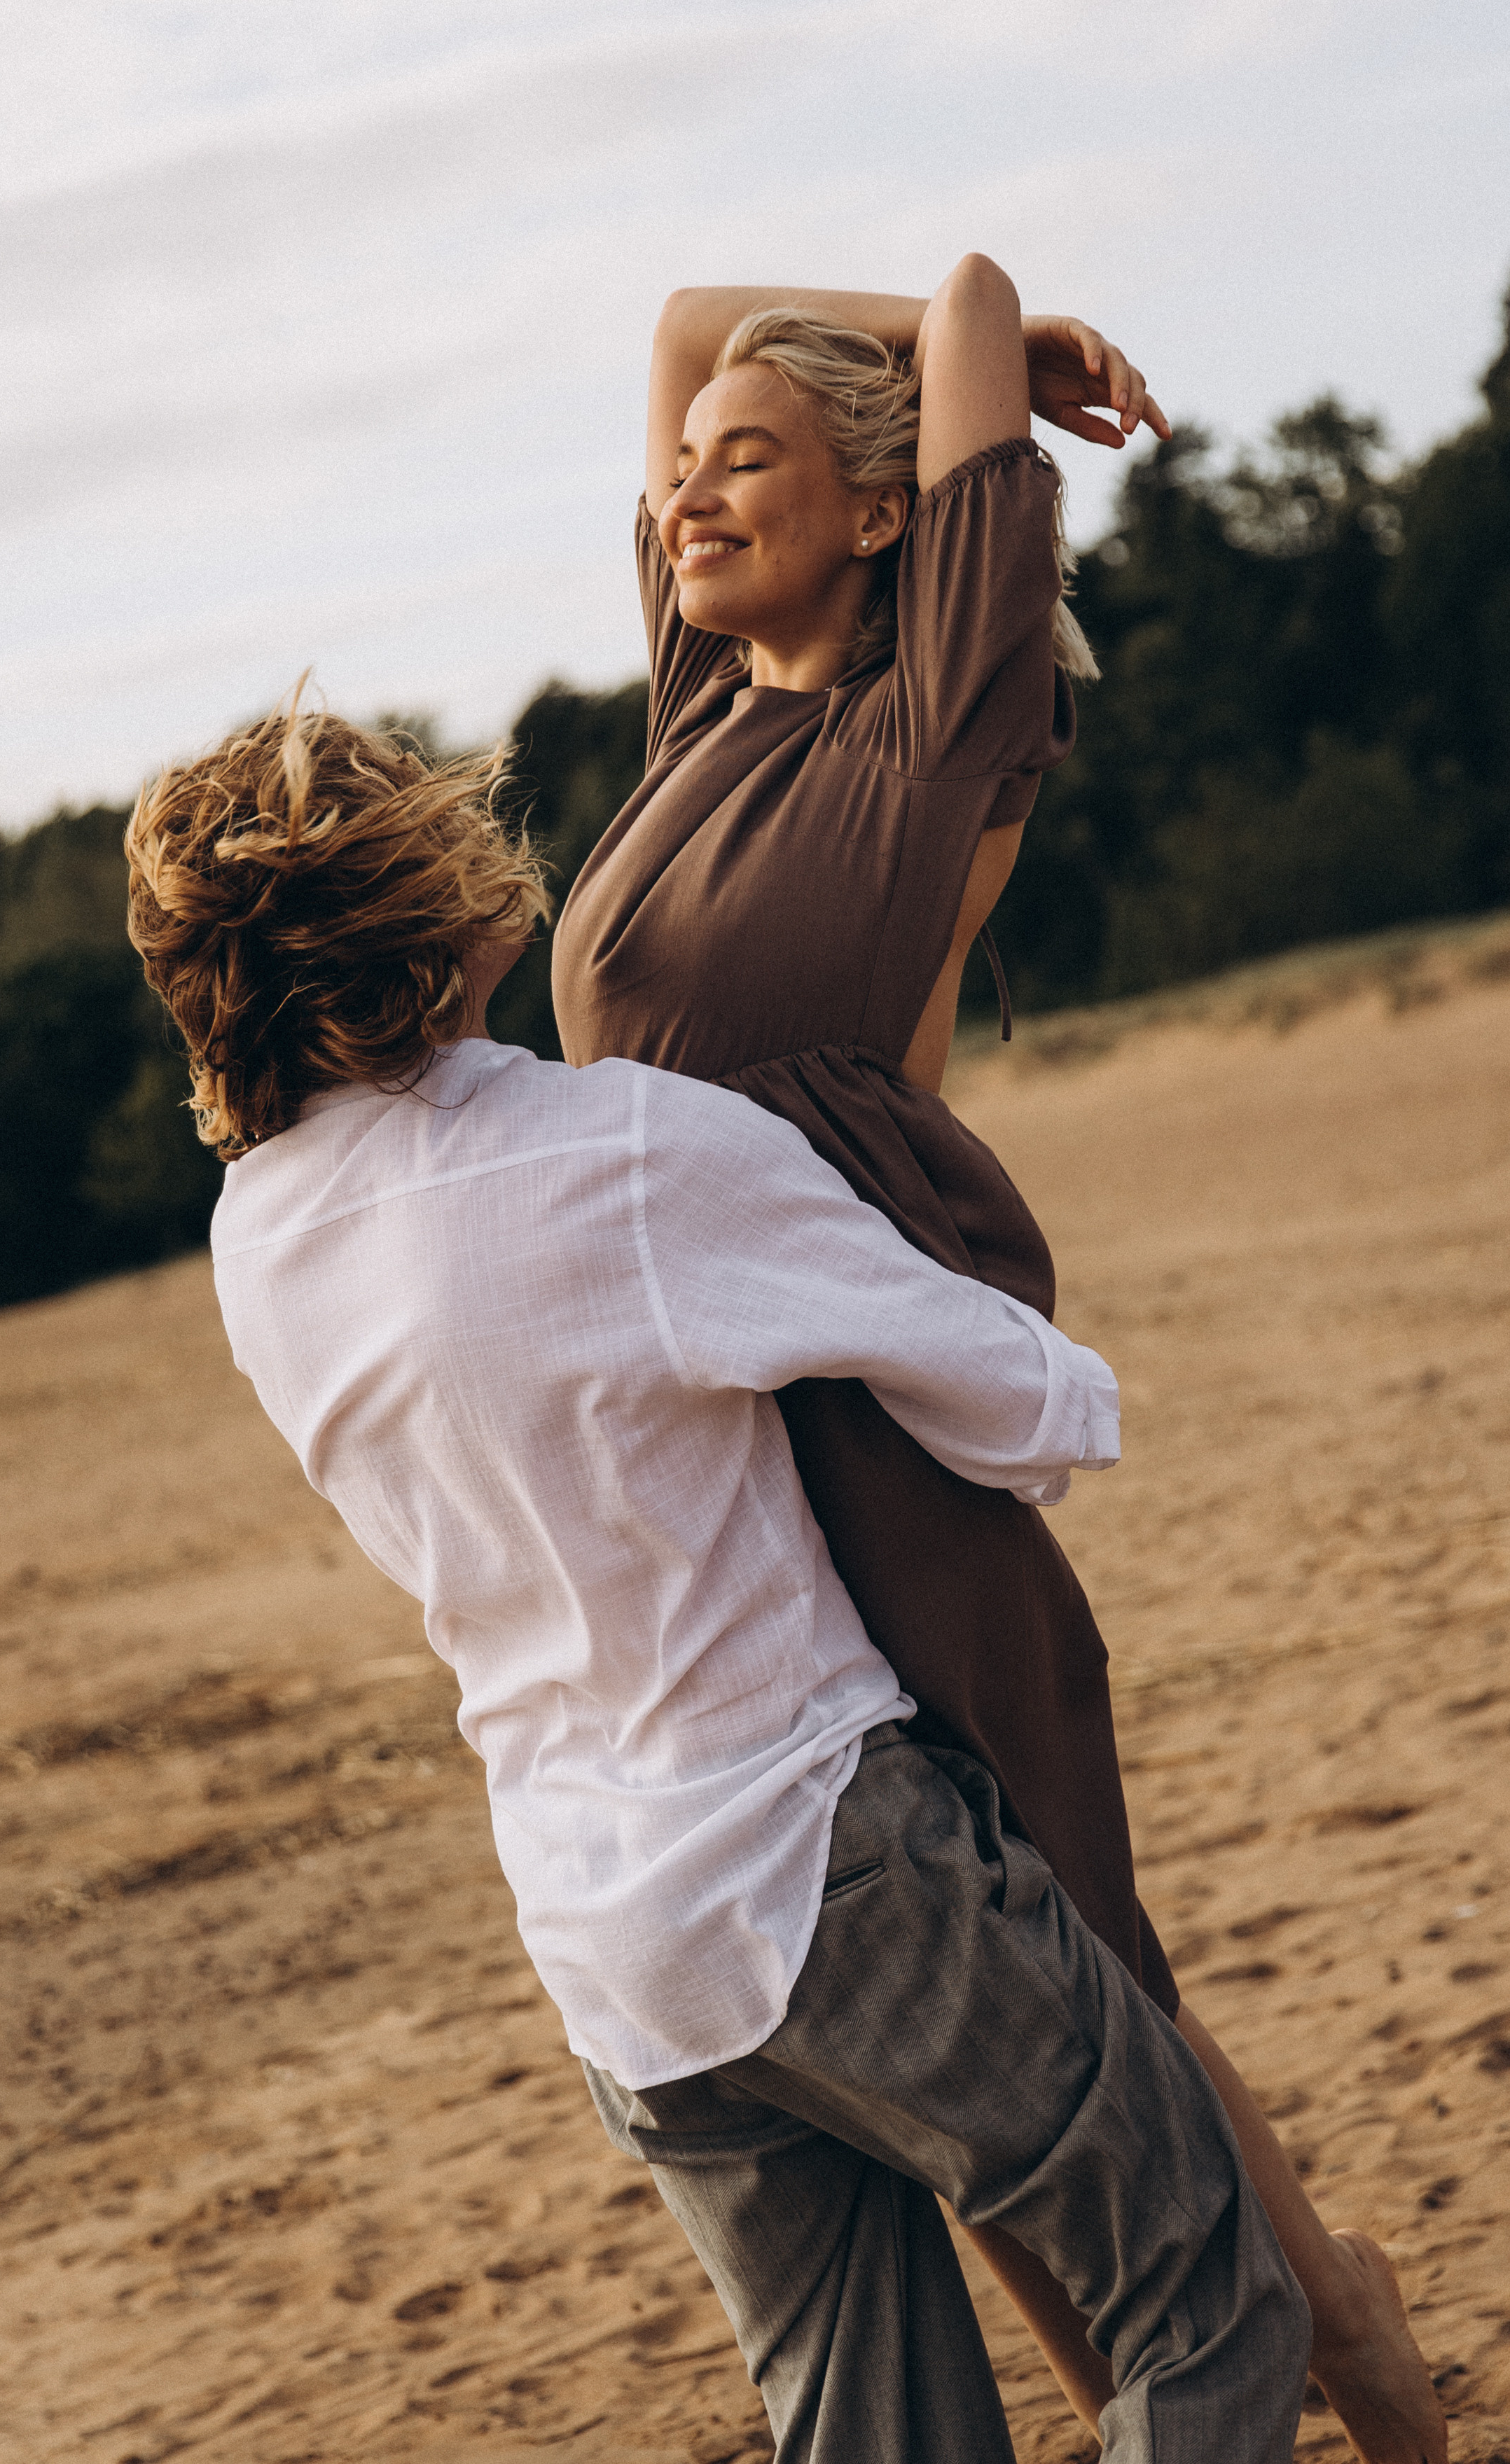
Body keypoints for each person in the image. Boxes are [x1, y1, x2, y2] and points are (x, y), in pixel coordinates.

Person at [124, 701, 1310, 2463]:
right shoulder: (613, 1150)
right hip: (817, 1845)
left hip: (608, 1942)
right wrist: (1054, 1390)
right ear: (451, 900)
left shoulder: (257, 1245)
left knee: (866, 2425)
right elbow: (1008, 1393)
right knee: (1209, 2287)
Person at [549, 258, 1446, 2460]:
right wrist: (788, 385)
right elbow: (679, 321)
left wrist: (1000, 366)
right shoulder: (702, 716)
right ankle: (1322, 2347)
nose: (685, 490)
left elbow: (963, 297)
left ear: (884, 518)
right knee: (1015, 2016)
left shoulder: (924, 715)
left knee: (1072, 1969)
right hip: (711, 1416)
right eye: (681, 478)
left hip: (850, 1407)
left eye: (746, 467)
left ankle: (1370, 2381)